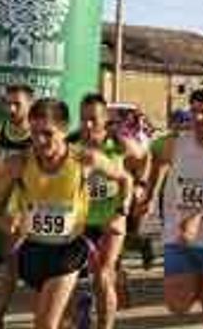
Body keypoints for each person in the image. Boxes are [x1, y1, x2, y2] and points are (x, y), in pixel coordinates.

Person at [0, 98, 132, 329]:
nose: (40, 141)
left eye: (48, 134)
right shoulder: (18, 163)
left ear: (64, 130)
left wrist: (121, 212)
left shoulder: (84, 159)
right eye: (35, 133)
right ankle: (79, 310)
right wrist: (3, 223)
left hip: (69, 250)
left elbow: (125, 179)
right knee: (58, 322)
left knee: (45, 324)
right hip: (32, 251)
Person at [140, 89, 203, 329]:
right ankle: (199, 283)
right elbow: (153, 156)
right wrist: (147, 193)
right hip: (178, 236)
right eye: (194, 111)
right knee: (177, 304)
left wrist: (197, 218)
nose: (197, 118)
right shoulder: (176, 142)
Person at [68, 94, 146, 329]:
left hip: (113, 218)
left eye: (93, 119)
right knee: (71, 279)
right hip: (81, 221)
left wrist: (140, 185)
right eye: (83, 119)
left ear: (105, 119)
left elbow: (144, 157)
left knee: (102, 274)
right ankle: (83, 310)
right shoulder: (71, 143)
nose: (88, 125)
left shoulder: (119, 143)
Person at [0, 84, 34, 328]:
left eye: (17, 104)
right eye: (8, 103)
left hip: (31, 206)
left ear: (30, 105)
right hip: (5, 203)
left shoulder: (37, 136)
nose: (11, 108)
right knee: (10, 263)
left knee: (34, 269)